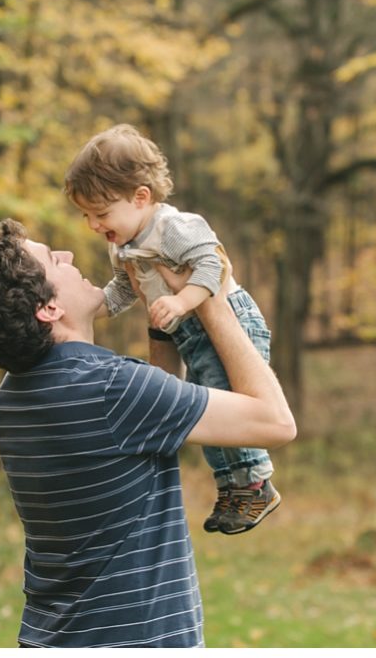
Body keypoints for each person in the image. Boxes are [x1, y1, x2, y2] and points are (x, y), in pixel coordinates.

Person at [0, 217, 295, 649]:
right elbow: (275, 422)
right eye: (55, 259)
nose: (69, 256)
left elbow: (155, 419)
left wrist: (161, 313)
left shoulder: (13, 397)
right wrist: (212, 298)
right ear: (48, 308)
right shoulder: (113, 389)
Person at [64, 124, 282, 537]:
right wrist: (96, 307)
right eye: (87, 216)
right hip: (190, 335)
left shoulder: (174, 227)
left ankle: (255, 482)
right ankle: (233, 487)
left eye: (101, 213)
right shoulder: (123, 243)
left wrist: (182, 302)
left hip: (229, 321)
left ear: (140, 197)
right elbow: (127, 287)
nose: (93, 225)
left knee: (229, 409)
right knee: (205, 414)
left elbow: (213, 267)